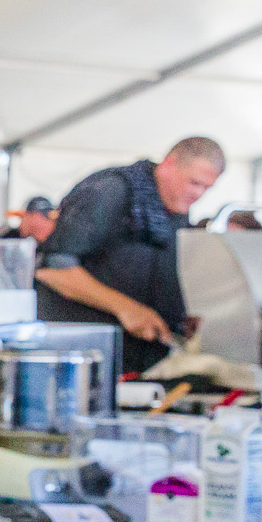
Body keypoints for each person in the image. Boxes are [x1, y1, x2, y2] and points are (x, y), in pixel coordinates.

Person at [34, 136, 224, 375]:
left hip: (140, 362)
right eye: (194, 183)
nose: (198, 194)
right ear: (169, 164)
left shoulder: (177, 210)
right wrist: (126, 308)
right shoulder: (111, 190)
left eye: (207, 188)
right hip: (81, 360)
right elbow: (53, 269)